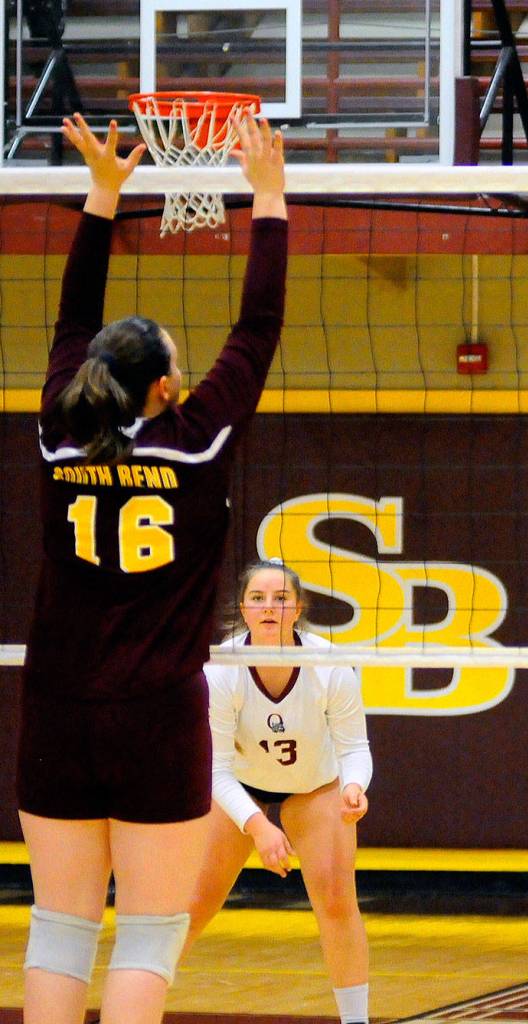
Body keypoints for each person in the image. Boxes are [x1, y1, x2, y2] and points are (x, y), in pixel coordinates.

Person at [15, 112, 287, 1024]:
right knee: (147, 932)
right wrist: (270, 195)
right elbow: (259, 326)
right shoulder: (198, 440)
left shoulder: (59, 429)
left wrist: (101, 194)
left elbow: (71, 317)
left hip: (55, 705)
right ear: (168, 385)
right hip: (157, 717)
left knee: (58, 927)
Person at [184, 559, 372, 1024]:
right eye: (259, 599)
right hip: (238, 788)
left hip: (314, 787)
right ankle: (132, 1012)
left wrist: (354, 786)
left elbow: (356, 748)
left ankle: (357, 1022)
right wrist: (257, 826)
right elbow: (216, 768)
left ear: (299, 607)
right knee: (193, 902)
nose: (270, 607)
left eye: (281, 598)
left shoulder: (329, 665)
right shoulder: (221, 670)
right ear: (243, 610)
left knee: (335, 897)